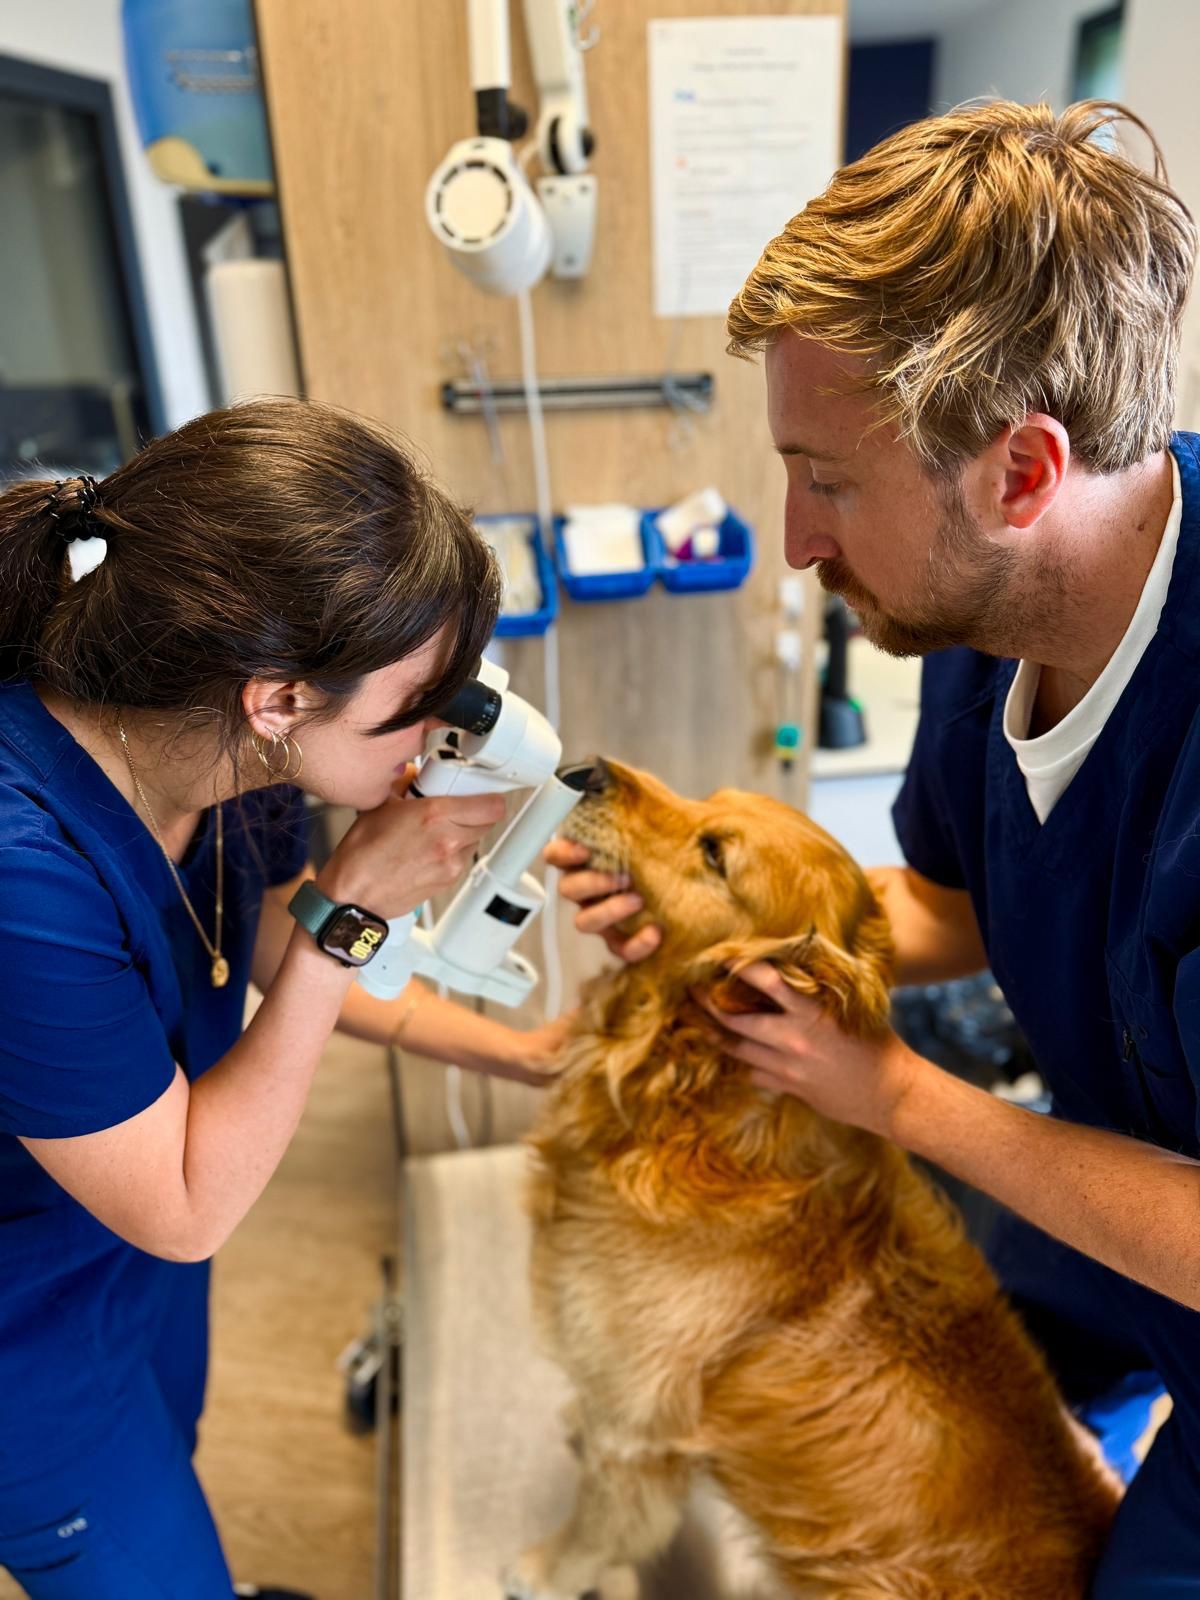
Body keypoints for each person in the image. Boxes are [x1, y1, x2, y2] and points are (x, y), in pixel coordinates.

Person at [548, 100, 1200, 1596]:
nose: (795, 539)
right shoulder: (990, 608)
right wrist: (718, 929)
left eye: (828, 480)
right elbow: (958, 907)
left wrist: (898, 1092)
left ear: (1022, 474)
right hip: (1116, 1167)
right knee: (952, 1357)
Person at [0, 398, 565, 1600]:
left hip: (130, 1267)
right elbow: (186, 1201)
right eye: (416, 707)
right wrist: (351, 909)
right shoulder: (20, 871)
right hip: (28, 1333)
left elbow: (256, 938)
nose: (434, 743)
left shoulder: (225, 751)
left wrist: (525, 1055)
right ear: (280, 698)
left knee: (173, 1450)